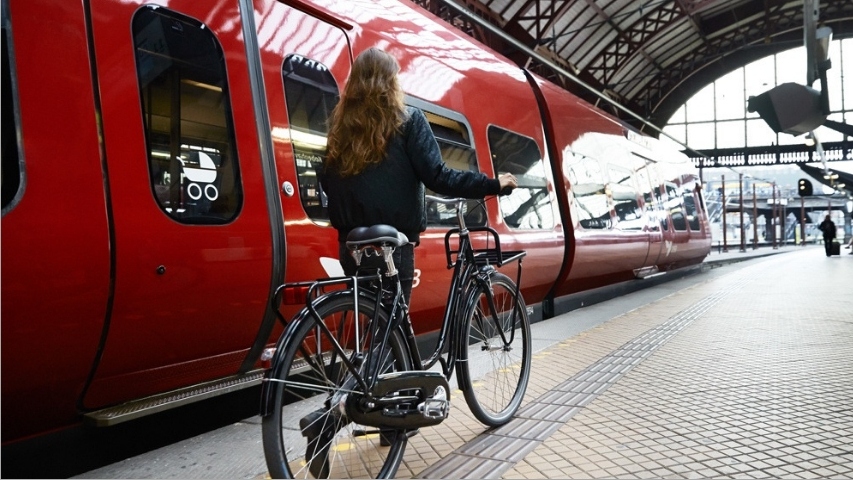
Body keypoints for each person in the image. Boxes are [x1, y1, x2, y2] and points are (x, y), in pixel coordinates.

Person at [320, 47, 517, 305]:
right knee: (393, 325)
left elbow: (327, 181)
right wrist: (493, 184)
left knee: (366, 315)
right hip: (393, 243)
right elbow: (438, 176)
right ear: (390, 83)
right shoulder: (409, 120)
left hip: (351, 245)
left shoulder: (340, 129)